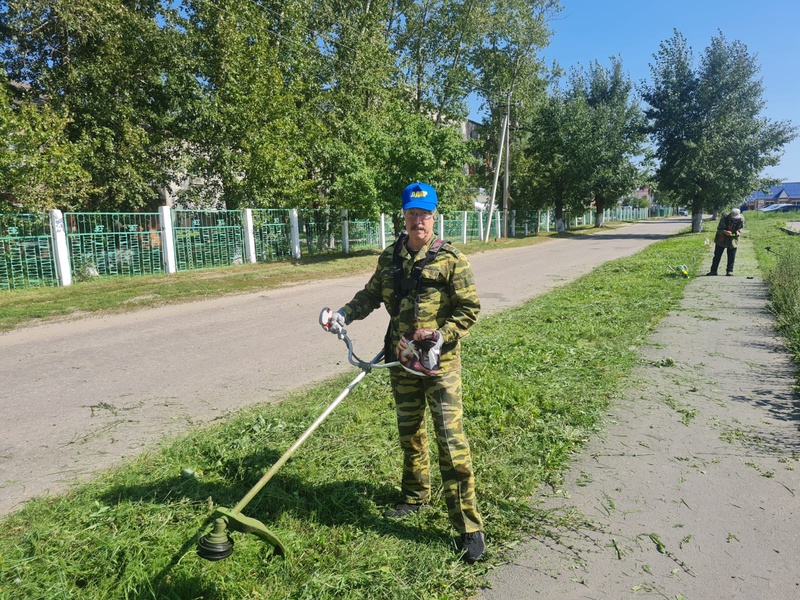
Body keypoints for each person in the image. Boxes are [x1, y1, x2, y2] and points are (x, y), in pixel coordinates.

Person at [321, 182, 485, 563]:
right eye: (411, 214)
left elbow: (469, 310)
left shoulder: (451, 259)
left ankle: (469, 527)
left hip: (439, 366)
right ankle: (415, 495)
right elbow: (371, 295)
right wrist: (344, 314)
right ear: (404, 216)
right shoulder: (390, 257)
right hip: (401, 361)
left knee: (451, 440)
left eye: (424, 215)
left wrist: (441, 337)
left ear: (433, 217)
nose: (418, 222)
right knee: (409, 432)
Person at [707, 208, 745, 276]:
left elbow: (740, 228)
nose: (734, 219)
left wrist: (738, 232)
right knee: (717, 255)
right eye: (733, 217)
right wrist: (725, 232)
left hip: (733, 240)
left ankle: (729, 271)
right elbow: (719, 229)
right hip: (721, 239)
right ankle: (713, 271)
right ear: (730, 214)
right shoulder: (724, 218)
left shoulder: (741, 219)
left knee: (732, 256)